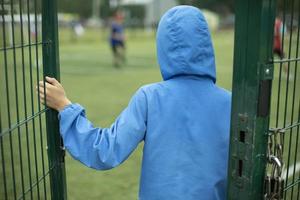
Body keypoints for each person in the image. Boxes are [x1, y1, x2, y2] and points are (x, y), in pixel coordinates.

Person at [38, 6, 231, 200]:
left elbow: (105, 150)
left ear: (163, 46)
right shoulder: (231, 103)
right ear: (206, 45)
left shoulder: (150, 97)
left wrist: (65, 106)